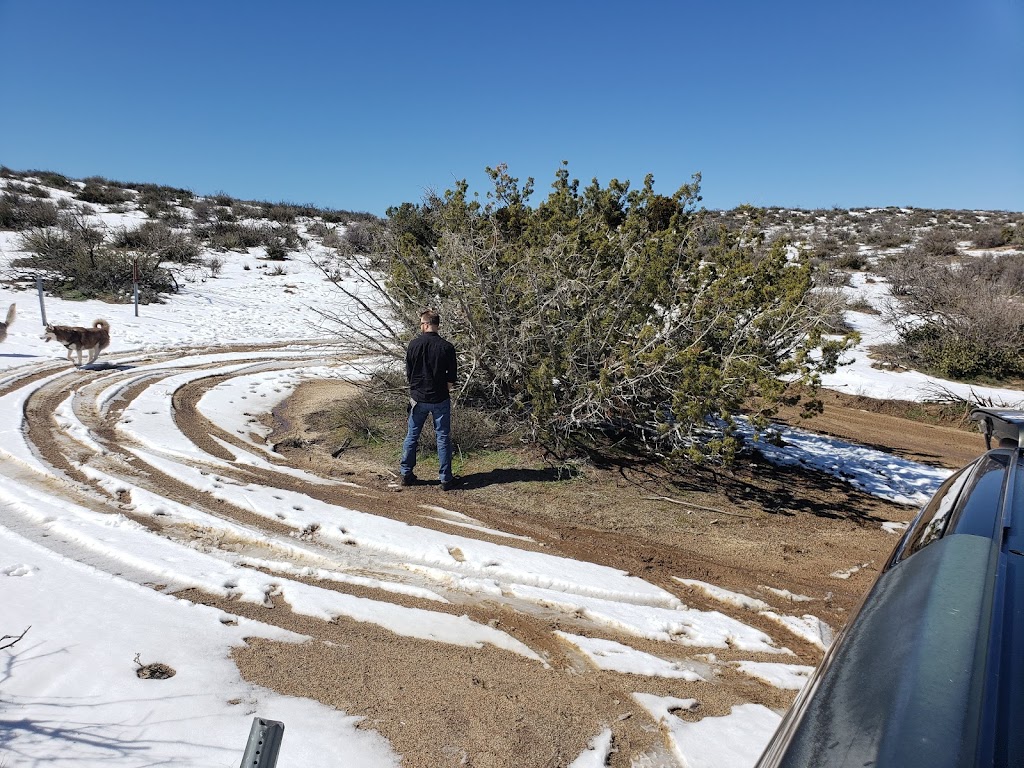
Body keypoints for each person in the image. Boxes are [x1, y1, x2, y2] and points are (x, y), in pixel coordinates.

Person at [400, 308, 459, 490]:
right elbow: (452, 377)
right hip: (440, 398)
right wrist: (444, 389)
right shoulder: (447, 347)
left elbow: (409, 373)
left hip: (418, 398)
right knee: (442, 438)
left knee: (412, 436)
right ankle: (446, 479)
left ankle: (406, 473)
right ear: (437, 325)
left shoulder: (413, 345)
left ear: (425, 324)